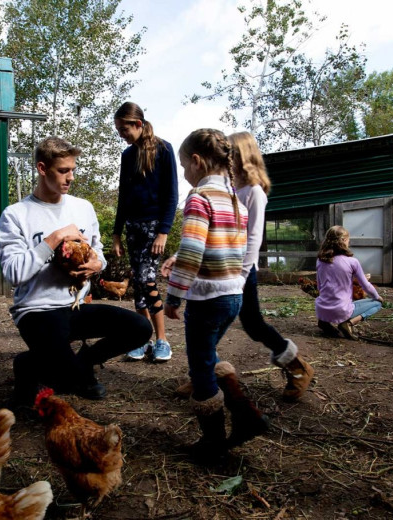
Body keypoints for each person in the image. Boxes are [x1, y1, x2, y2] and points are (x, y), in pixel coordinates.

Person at [0, 137, 152, 404]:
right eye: (62, 171)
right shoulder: (15, 214)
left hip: (75, 306)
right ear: (42, 168)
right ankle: (30, 365)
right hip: (37, 311)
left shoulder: (83, 208)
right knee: (65, 382)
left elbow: (98, 252)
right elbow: (13, 273)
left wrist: (96, 265)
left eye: (73, 170)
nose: (70, 177)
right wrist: (54, 238)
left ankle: (83, 362)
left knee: (140, 328)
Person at [162, 131, 314, 402]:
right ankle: (204, 376)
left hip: (239, 270)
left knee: (251, 324)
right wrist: (178, 254)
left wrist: (240, 277)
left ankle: (296, 365)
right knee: (221, 328)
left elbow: (252, 239)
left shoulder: (251, 192)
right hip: (225, 270)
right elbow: (203, 237)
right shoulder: (230, 192)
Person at [164, 128, 267, 462]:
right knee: (208, 357)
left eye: (183, 166)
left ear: (196, 162)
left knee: (200, 369)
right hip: (232, 295)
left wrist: (174, 295)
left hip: (206, 298)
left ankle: (213, 442)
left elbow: (193, 252)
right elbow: (223, 248)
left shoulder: (199, 198)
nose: (183, 174)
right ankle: (246, 415)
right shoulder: (236, 199)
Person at [111, 102, 178, 363]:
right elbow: (123, 196)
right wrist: (116, 233)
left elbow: (172, 195)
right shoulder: (127, 156)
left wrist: (163, 232)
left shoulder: (164, 149)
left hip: (153, 227)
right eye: (118, 130)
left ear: (138, 124)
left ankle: (162, 340)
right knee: (138, 281)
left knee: (148, 280)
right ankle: (143, 339)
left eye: (124, 129)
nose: (121, 134)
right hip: (132, 227)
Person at [315, 225, 383, 340]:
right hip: (341, 310)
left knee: (329, 298)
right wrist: (377, 296)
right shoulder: (352, 262)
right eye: (348, 240)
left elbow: (320, 285)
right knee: (377, 304)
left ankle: (324, 322)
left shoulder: (320, 260)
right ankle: (348, 323)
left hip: (321, 308)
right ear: (344, 241)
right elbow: (365, 286)